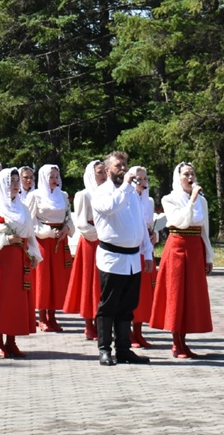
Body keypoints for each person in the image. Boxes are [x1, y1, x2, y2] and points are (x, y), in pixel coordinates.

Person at [90, 151, 153, 366]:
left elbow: (140, 224)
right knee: (108, 305)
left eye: (125, 165)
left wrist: (147, 250)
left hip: (133, 258)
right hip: (112, 257)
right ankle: (104, 349)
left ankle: (124, 349)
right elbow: (110, 208)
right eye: (118, 165)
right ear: (107, 170)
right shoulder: (101, 193)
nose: (123, 169)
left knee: (128, 306)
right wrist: (126, 186)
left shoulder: (133, 195)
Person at [0, 167, 42, 358]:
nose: (15, 185)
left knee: (16, 301)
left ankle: (11, 341)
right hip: (1, 261)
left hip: (19, 259)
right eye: (10, 182)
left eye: (16, 181)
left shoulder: (23, 207)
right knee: (0, 300)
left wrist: (34, 254)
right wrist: (6, 240)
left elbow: (30, 234)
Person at [149, 162, 214, 359]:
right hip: (177, 246)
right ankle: (176, 342)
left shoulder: (202, 201)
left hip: (195, 248)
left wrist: (209, 255)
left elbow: (205, 230)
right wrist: (191, 200)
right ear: (178, 178)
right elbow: (180, 221)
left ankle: (184, 341)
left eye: (192, 173)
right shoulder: (170, 199)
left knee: (191, 295)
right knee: (176, 293)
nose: (190, 177)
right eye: (186, 174)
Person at [63, 159, 106, 340]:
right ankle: (89, 323)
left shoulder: (108, 193)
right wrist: (100, 234)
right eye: (99, 172)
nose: (103, 175)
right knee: (89, 281)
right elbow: (80, 222)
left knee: (103, 283)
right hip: (91, 242)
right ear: (91, 174)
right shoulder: (83, 195)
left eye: (105, 172)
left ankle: (101, 321)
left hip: (106, 240)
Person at [29, 163, 75, 332]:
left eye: (56, 176)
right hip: (43, 241)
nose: (54, 180)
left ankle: (53, 316)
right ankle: (41, 316)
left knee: (57, 278)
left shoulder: (63, 196)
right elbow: (31, 221)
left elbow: (69, 217)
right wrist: (48, 232)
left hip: (59, 240)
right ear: (43, 178)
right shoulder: (35, 196)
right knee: (43, 278)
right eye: (51, 177)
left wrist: (66, 229)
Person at [128, 165, 157, 349]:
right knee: (131, 290)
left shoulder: (149, 201)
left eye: (145, 178)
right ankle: (127, 333)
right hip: (131, 246)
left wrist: (155, 236)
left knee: (144, 292)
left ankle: (139, 331)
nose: (143, 182)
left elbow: (151, 224)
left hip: (145, 248)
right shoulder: (127, 198)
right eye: (139, 178)